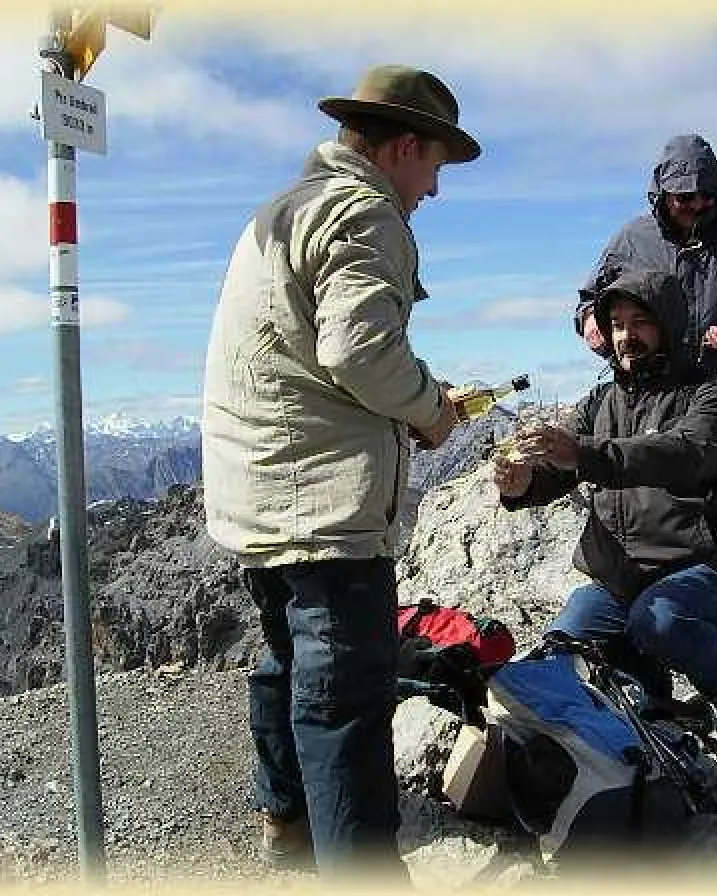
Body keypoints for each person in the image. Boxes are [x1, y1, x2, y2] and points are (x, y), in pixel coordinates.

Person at [201, 64, 480, 878]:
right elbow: (358, 348)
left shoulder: (285, 210)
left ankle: (286, 823)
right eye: (434, 166)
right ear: (402, 146)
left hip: (258, 498)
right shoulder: (366, 212)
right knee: (347, 703)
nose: (433, 188)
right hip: (321, 509)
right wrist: (429, 408)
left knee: (287, 663)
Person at [495, 269, 717, 751]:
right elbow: (562, 469)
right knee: (563, 651)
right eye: (615, 323)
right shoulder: (602, 399)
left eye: (640, 322)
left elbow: (687, 451)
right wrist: (523, 483)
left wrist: (585, 453)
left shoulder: (713, 394)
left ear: (671, 323)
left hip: (703, 571)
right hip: (619, 580)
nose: (625, 336)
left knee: (656, 620)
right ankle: (650, 685)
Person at [573, 134, 717, 669]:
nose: (698, 205)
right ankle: (647, 625)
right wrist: (590, 322)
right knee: (647, 503)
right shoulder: (630, 240)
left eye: (708, 196)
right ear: (661, 194)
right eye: (685, 197)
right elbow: (588, 301)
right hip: (645, 400)